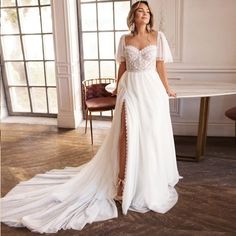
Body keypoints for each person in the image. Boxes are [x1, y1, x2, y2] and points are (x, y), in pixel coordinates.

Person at [0, 1, 182, 233]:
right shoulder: (124, 40)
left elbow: (160, 67)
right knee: (127, 133)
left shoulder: (159, 36)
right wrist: (117, 86)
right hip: (131, 90)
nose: (145, 14)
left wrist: (167, 88)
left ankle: (145, 181)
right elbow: (123, 67)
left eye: (147, 11)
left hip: (152, 92)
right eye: (140, 11)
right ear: (133, 16)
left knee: (150, 136)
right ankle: (123, 183)